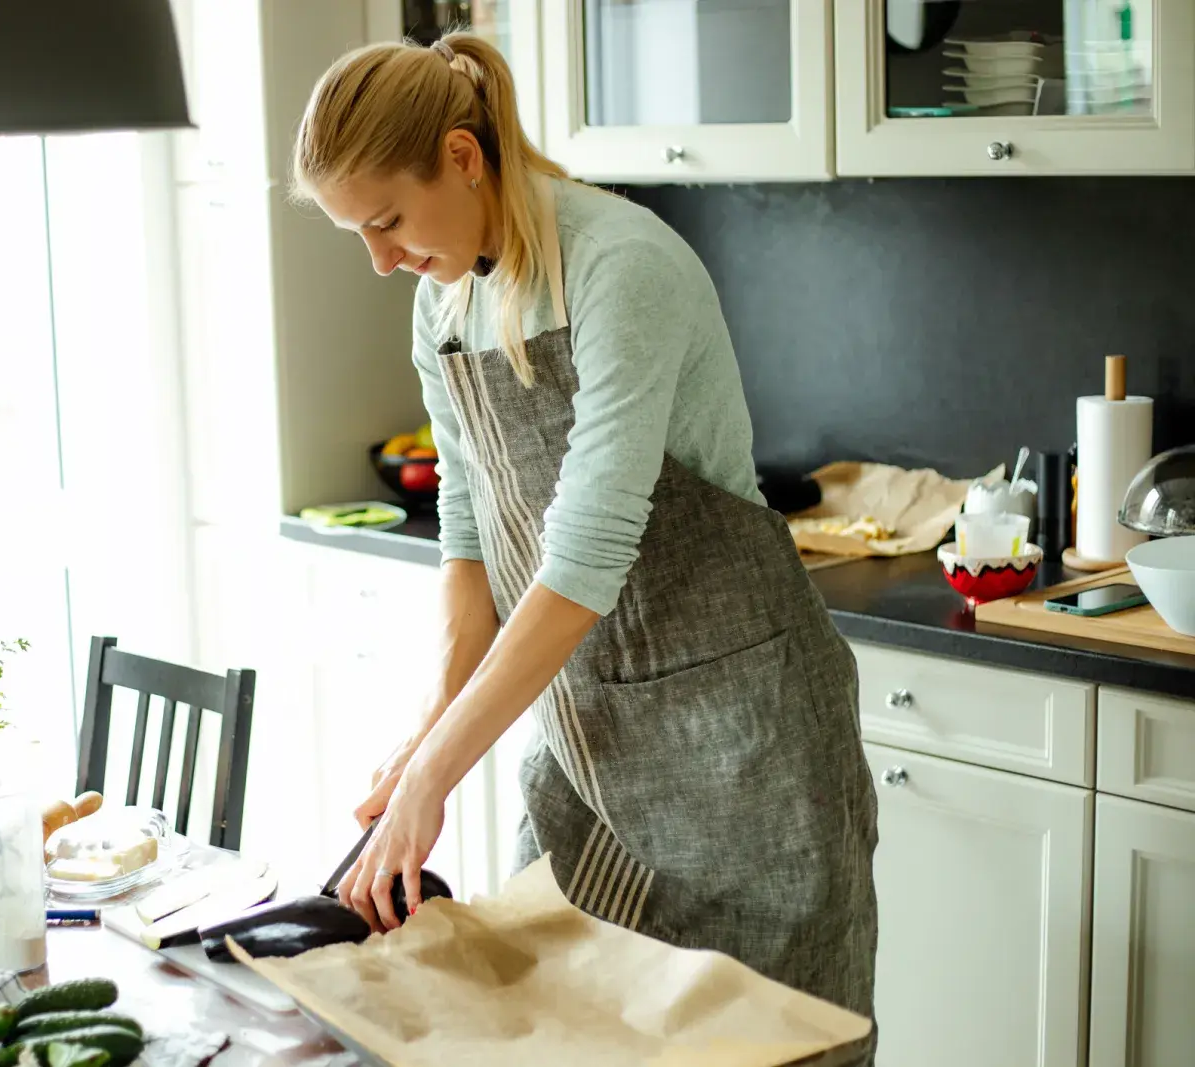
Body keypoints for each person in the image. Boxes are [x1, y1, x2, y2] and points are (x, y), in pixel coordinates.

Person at [291, 30, 878, 1053]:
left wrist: (435, 774)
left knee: (771, 1042)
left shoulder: (623, 266)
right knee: (570, 1027)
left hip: (752, 754)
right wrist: (426, 734)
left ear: (464, 157)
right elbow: (469, 534)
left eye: (386, 221)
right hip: (590, 745)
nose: (381, 261)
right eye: (359, 236)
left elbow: (584, 554)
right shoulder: (446, 305)